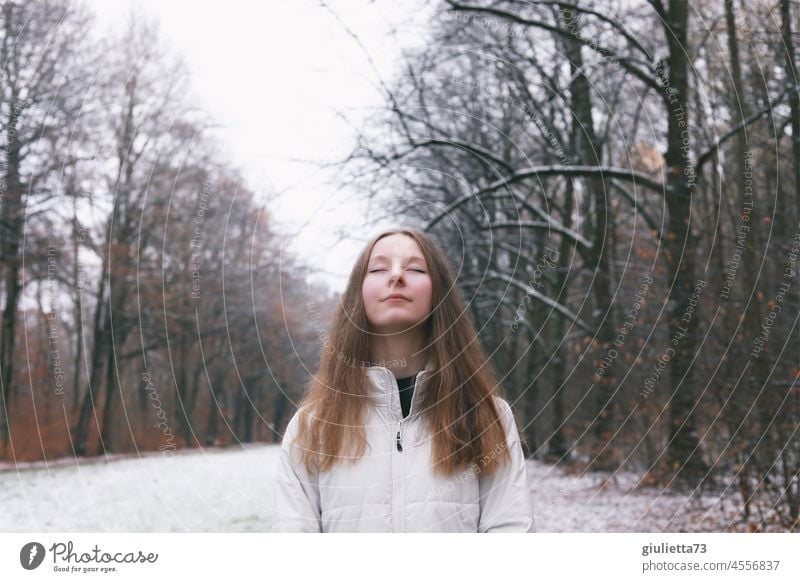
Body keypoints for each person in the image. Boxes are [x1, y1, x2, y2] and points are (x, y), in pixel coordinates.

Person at [271, 227, 535, 532]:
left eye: (415, 268)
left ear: (440, 293)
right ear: (358, 294)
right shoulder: (313, 426)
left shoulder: (488, 417)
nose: (396, 276)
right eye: (379, 268)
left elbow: (511, 530)